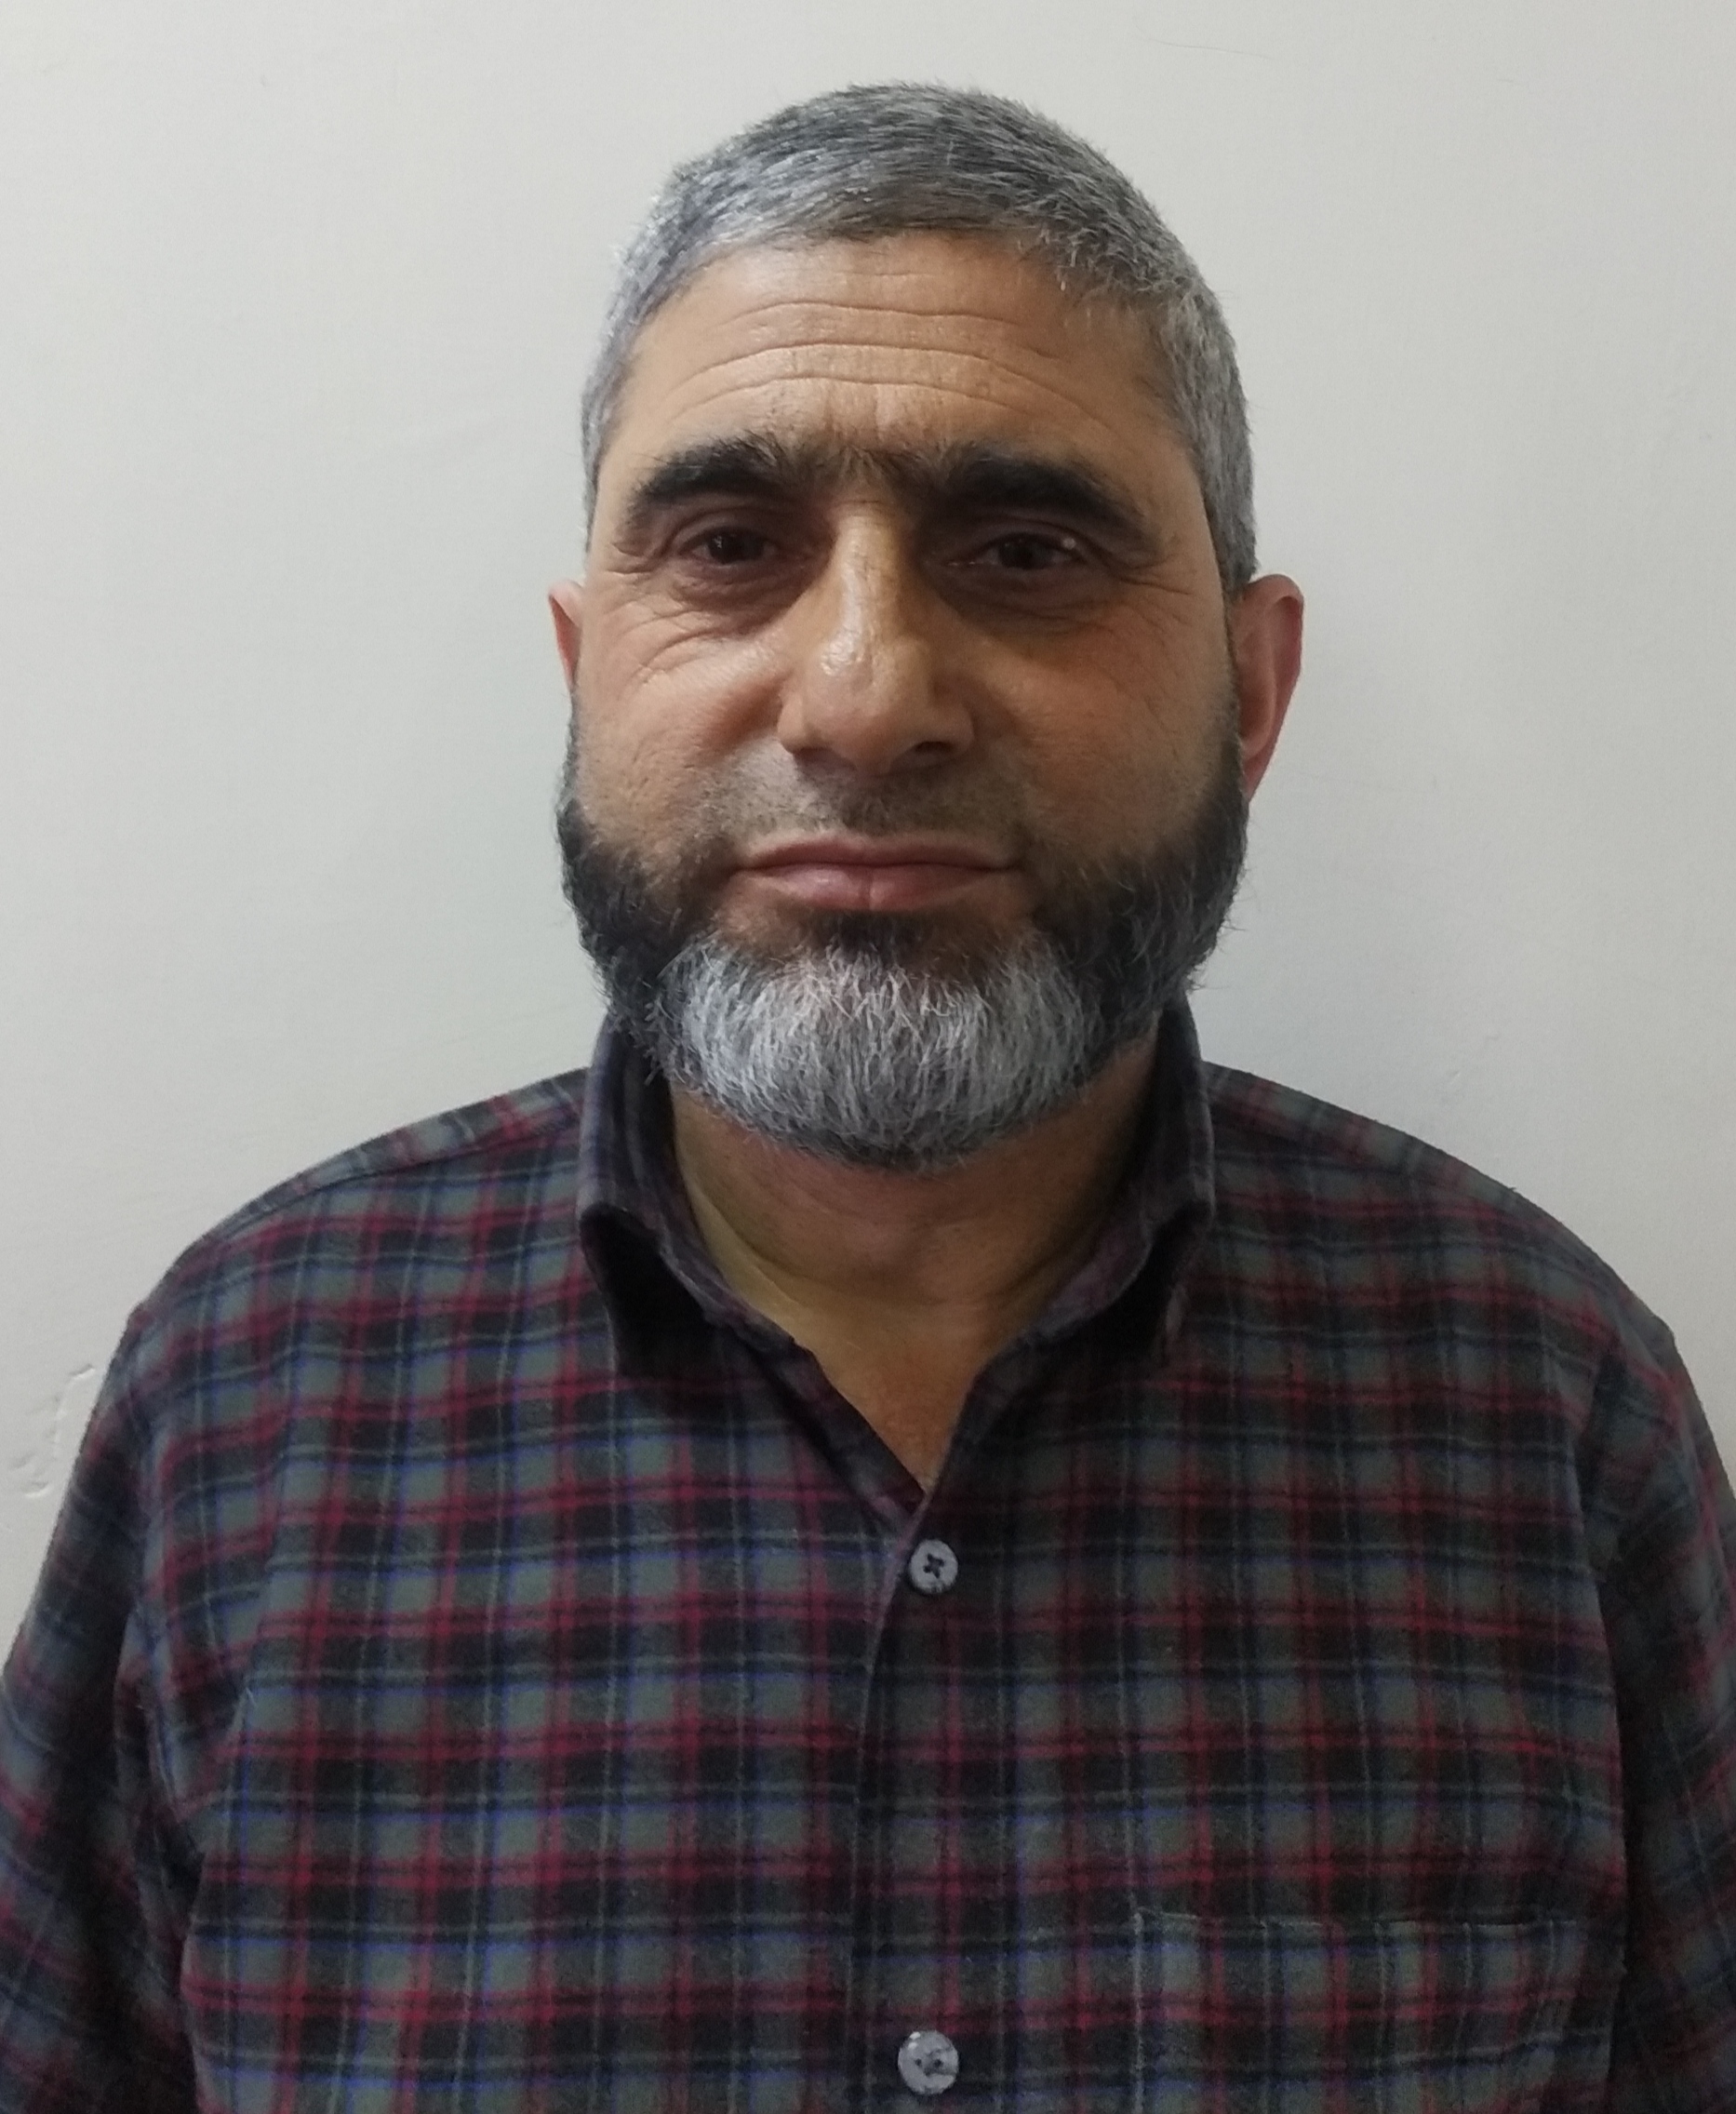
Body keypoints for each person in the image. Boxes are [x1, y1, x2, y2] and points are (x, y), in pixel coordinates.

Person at [1, 80, 1731, 2111]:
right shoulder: (245, 1397)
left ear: (1252, 692)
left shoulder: (1550, 1411)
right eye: (731, 545)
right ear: (586, 669)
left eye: (1027, 548)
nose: (863, 696)